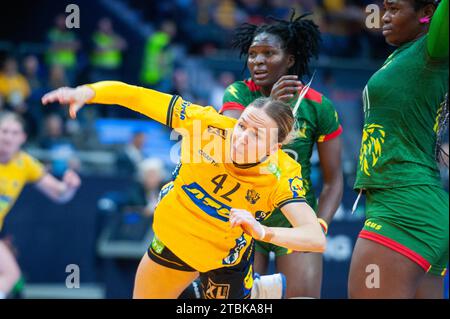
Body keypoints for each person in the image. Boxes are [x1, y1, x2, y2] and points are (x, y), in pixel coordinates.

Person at [42, 81, 326, 299]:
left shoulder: (281, 173)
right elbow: (137, 96)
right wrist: (88, 92)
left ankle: (246, 291)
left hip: (225, 257)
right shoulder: (205, 125)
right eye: (241, 126)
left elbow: (314, 237)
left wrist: (262, 232)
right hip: (176, 239)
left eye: (256, 134)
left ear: (273, 148)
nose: (241, 138)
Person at [220, 12, 343, 298]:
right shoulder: (237, 94)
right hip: (243, 214)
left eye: (268, 53)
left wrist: (318, 225)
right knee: (243, 303)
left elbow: (333, 180)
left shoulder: (318, 106)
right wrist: (272, 105)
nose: (257, 61)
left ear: (289, 59)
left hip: (294, 217)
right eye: (252, 54)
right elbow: (230, 150)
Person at [348, 0, 449, 298]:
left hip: (404, 206)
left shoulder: (432, 49)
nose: (384, 17)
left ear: (427, 14)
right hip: (414, 201)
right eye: (383, 9)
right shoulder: (402, 56)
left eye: (394, 9)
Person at [0, 111, 81, 299]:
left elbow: (60, 195)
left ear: (22, 138)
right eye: (4, 131)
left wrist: (69, 187)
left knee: (11, 275)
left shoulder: (25, 163)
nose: (8, 137)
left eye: (14, 133)